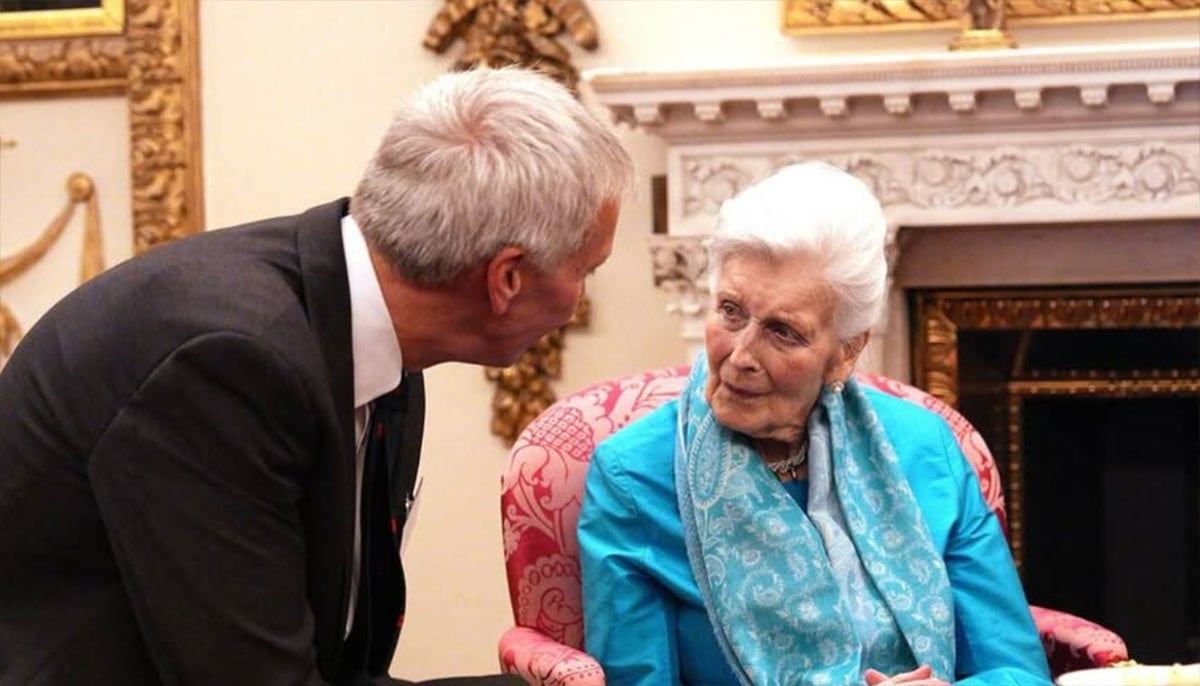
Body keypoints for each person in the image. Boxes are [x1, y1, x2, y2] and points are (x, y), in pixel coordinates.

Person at [0, 67, 633, 686]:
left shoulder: (376, 334)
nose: (578, 300)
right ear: (508, 279)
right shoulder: (228, 365)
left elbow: (338, 662)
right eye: (586, 270)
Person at [577, 163, 1051, 686]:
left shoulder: (924, 451)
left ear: (846, 353)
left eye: (783, 332)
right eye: (731, 311)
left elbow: (1019, 672)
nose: (739, 356)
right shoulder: (633, 478)